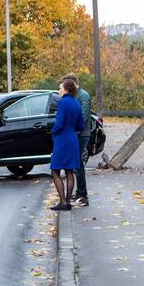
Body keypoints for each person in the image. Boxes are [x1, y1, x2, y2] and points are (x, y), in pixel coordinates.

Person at [49, 76, 84, 211]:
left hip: (62, 139)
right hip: (72, 138)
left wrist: (53, 132)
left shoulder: (63, 103)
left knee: (55, 171)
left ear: (66, 89)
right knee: (69, 171)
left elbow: (58, 124)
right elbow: (80, 124)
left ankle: (63, 202)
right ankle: (68, 202)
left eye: (60, 88)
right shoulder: (76, 103)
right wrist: (71, 128)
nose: (59, 90)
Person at [63, 73, 92, 206]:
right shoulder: (75, 95)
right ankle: (80, 193)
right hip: (76, 133)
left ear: (74, 82)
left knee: (78, 165)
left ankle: (83, 195)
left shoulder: (83, 95)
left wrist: (73, 132)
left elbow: (84, 116)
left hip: (81, 134)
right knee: (76, 165)